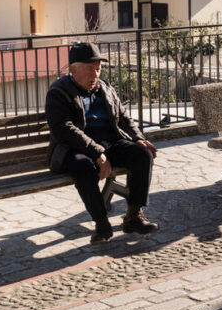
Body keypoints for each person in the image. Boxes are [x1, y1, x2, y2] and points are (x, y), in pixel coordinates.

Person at [46, 42, 159, 244]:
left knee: (142, 154)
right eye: (90, 69)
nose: (95, 74)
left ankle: (133, 216)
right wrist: (97, 152)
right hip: (75, 148)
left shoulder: (105, 88)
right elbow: (64, 128)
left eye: (98, 68)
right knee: (83, 167)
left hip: (109, 143)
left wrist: (139, 138)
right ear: (73, 70)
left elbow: (123, 118)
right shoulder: (59, 92)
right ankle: (102, 224)